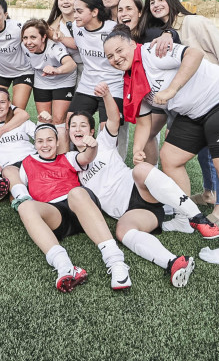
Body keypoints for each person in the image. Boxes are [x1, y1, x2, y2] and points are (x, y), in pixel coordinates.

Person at [104, 24, 219, 265]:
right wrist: (137, 148)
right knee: (171, 158)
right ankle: (185, 218)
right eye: (110, 56)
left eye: (119, 50)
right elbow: (144, 123)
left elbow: (194, 54)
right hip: (195, 112)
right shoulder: (132, 79)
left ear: (133, 44)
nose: (116, 58)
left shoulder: (151, 52)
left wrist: (172, 88)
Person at [71, 82, 219, 287]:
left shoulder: (103, 142)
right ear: (68, 132)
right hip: (129, 212)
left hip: (140, 189)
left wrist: (106, 95)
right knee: (122, 232)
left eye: (82, 125)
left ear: (93, 129)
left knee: (140, 169)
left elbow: (114, 119)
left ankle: (195, 216)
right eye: (73, 126)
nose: (78, 129)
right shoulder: (70, 162)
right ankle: (173, 262)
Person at [140, 0, 219, 229]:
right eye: (152, 2)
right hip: (191, 105)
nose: (156, 4)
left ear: (173, 0)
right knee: (198, 152)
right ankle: (208, 193)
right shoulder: (163, 32)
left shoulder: (194, 23)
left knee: (218, 156)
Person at [13, 124, 132, 291]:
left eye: (49, 140)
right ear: (35, 144)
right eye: (40, 141)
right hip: (56, 214)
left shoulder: (68, 157)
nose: (45, 145)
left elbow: (86, 158)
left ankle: (116, 262)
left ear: (57, 142)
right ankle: (65, 267)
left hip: (80, 206)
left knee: (76, 192)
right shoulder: (26, 164)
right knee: (24, 207)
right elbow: (14, 182)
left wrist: (92, 147)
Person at [64, 0, 129, 160]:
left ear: (94, 12)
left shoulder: (112, 28)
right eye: (74, 11)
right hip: (87, 85)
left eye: (79, 11)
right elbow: (78, 45)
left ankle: (106, 166)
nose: (75, 15)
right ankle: (72, 162)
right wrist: (57, 37)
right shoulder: (77, 29)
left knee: (106, 132)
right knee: (70, 123)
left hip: (113, 86)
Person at [21, 19, 76, 150]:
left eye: (33, 37)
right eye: (25, 38)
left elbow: (71, 64)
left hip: (63, 79)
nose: (29, 42)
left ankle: (63, 155)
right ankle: (44, 152)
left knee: (58, 119)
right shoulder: (24, 46)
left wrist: (56, 70)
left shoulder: (53, 48)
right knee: (44, 118)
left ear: (44, 37)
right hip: (42, 80)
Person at [0, 88, 37, 203]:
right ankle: (24, 199)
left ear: (9, 103)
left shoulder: (20, 122)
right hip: (11, 168)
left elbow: (39, 136)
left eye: (3, 102)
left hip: (31, 160)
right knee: (9, 172)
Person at [47, 0, 83, 88]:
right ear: (57, 3)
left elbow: (79, 43)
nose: (66, 1)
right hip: (66, 73)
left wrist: (62, 38)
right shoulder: (52, 27)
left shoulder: (86, 21)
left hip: (88, 70)